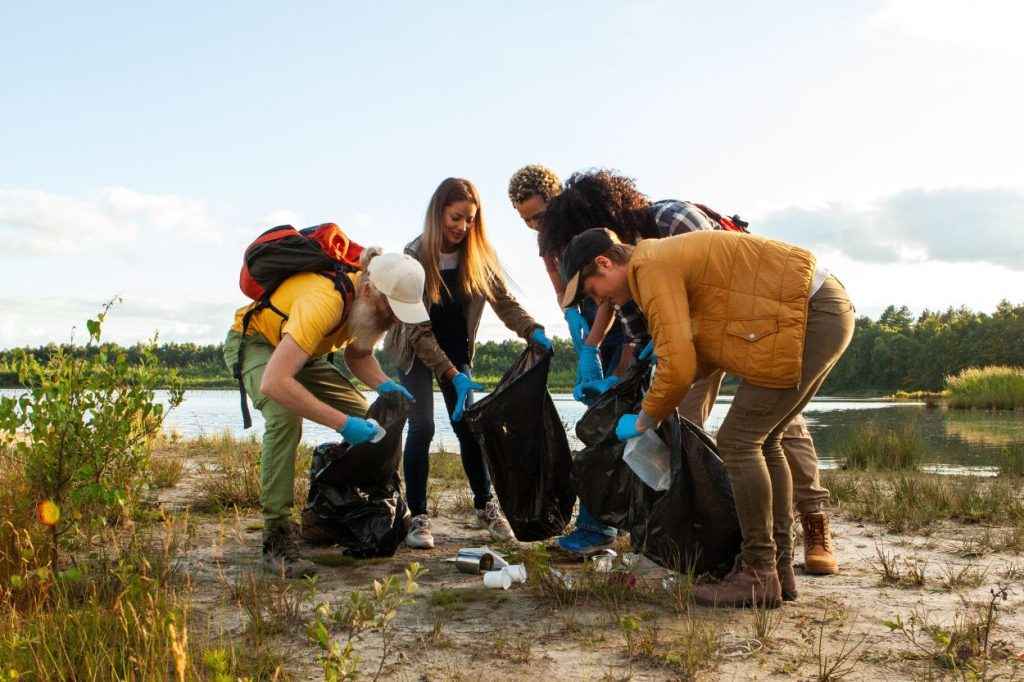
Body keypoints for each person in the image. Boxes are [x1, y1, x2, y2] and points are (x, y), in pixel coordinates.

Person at [542, 169, 839, 579]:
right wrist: (623, 369)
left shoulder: (660, 248)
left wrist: (645, 415)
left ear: (604, 258)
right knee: (759, 439)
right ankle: (773, 568)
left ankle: (762, 566)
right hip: (766, 324)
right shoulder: (639, 270)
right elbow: (672, 340)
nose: (600, 302)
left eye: (594, 291)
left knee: (742, 439)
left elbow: (682, 352)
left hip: (789, 317)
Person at [223, 248, 429, 578]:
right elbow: (275, 382)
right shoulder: (323, 302)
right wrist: (343, 424)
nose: (394, 319)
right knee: (285, 418)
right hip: (258, 342)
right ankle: (276, 537)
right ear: (369, 289)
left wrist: (385, 385)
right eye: (392, 309)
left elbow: (358, 356)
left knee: (374, 421)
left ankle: (327, 516)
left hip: (304, 354)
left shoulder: (374, 310)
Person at [383, 177, 552, 549]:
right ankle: (418, 517)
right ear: (438, 213)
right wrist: (450, 375)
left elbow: (504, 302)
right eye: (456, 217)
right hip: (415, 350)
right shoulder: (414, 256)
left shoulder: (477, 255)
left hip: (458, 351)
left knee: (468, 426)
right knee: (422, 426)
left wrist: (532, 330)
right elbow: (417, 331)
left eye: (470, 219)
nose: (462, 227)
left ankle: (485, 506)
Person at [507, 164, 621, 555]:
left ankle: (599, 526)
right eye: (526, 220)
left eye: (539, 215)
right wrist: (574, 320)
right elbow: (562, 291)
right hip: (590, 320)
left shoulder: (590, 228)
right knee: (601, 418)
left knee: (611, 418)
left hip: (619, 319)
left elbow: (612, 294)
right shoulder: (547, 243)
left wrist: (593, 344)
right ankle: (602, 521)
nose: (535, 225)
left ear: (558, 200)